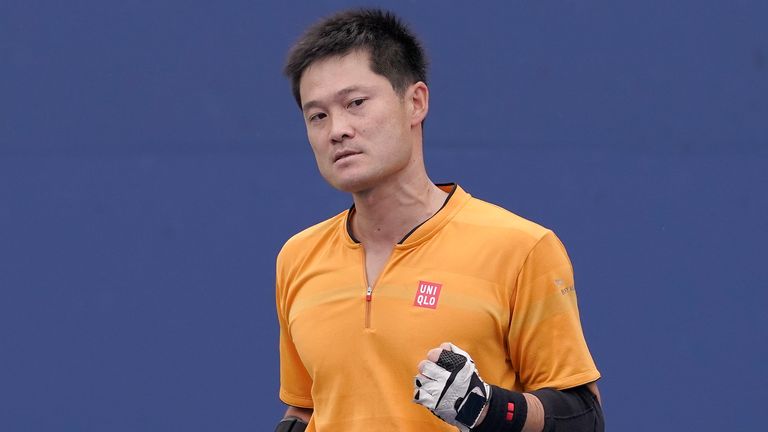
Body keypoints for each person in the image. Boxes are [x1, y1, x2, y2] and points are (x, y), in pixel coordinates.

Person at [274, 8, 604, 432]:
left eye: (355, 103)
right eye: (316, 115)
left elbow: (583, 418)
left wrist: (488, 407)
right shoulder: (297, 257)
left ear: (415, 102)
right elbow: (304, 409)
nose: (337, 129)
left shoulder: (522, 248)